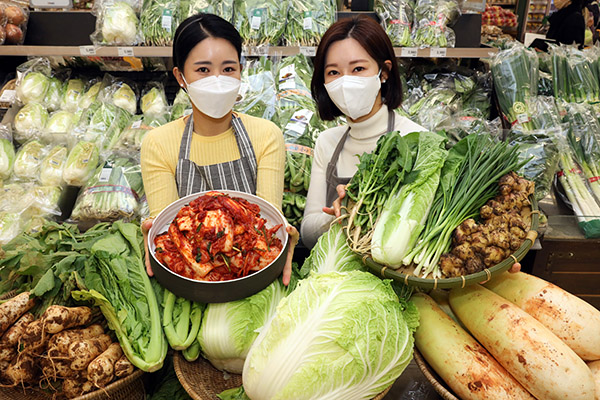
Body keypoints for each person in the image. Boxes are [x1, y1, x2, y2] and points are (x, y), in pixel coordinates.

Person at [141, 13, 298, 285]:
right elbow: (169, 233)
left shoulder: (265, 135)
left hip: (250, 279)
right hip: (190, 284)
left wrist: (284, 238)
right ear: (180, 76)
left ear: (240, 71)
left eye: (228, 69)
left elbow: (267, 224)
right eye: (203, 70)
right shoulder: (159, 143)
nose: (217, 80)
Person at [300, 15, 425, 249]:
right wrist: (336, 214)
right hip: (335, 278)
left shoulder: (417, 141)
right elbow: (307, 234)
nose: (345, 82)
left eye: (358, 68)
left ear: (384, 72)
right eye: (334, 73)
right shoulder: (327, 142)